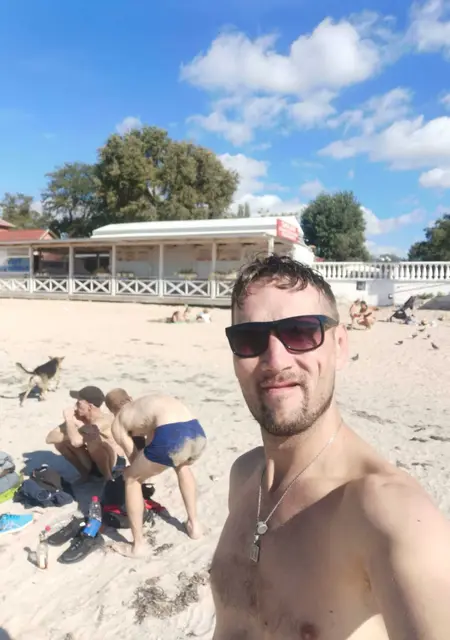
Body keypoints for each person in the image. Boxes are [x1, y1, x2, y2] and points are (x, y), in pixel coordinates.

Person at [211, 254, 450, 639]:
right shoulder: (244, 477)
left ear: (339, 346)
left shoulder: (388, 514)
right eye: (250, 339)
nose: (275, 360)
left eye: (300, 333)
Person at [108, 391, 206, 557]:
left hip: (170, 435)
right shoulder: (145, 403)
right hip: (197, 432)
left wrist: (133, 470)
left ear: (111, 409)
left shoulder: (118, 420)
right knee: (181, 465)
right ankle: (194, 525)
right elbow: (155, 438)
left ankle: (138, 546)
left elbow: (133, 458)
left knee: (131, 479)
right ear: (129, 398)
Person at [46, 386, 121, 482]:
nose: (75, 406)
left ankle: (108, 479)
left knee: (92, 441)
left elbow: (76, 442)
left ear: (90, 406)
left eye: (79, 403)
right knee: (60, 443)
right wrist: (70, 434)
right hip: (93, 461)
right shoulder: (79, 418)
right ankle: (85, 474)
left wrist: (69, 421)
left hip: (112, 465)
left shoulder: (104, 420)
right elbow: (49, 438)